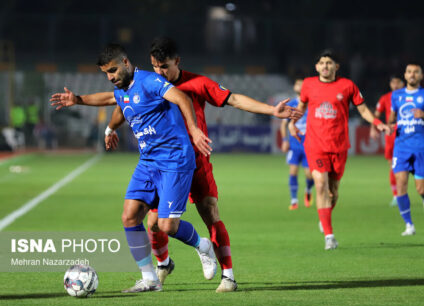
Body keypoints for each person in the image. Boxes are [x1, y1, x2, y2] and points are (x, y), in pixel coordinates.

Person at [51, 37, 301, 292]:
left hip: (191, 158)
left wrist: (271, 111)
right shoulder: (140, 84)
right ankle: (160, 268)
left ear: (176, 62)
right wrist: (107, 126)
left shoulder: (193, 83)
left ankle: (228, 275)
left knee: (206, 215)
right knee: (147, 221)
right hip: (155, 161)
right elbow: (119, 102)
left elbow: (234, 99)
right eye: (154, 66)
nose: (159, 72)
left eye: (164, 66)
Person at [57, 43, 218, 293]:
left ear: (125, 63)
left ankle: (203, 246)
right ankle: (150, 279)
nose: (110, 77)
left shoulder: (151, 81)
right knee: (130, 216)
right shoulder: (122, 89)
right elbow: (112, 100)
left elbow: (181, 97)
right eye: (105, 74)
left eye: (112, 71)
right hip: (148, 161)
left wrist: (194, 129)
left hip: (174, 159)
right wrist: (81, 102)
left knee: (166, 226)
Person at [289, 49, 391, 250]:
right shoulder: (308, 84)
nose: (325, 66)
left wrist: (377, 122)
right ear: (316, 67)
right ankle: (329, 236)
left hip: (339, 145)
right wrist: (292, 123)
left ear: (336, 67)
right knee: (320, 185)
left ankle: (324, 215)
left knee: (333, 192)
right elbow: (301, 107)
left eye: (329, 63)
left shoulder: (347, 86)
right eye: (322, 63)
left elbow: (362, 109)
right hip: (315, 144)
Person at [388, 62, 424, 236]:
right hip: (401, 147)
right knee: (401, 184)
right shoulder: (396, 96)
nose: (412, 74)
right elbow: (392, 118)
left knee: (421, 189)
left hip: (421, 146)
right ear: (405, 76)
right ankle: (409, 225)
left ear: (421, 76)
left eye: (416, 72)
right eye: (409, 72)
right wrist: (390, 124)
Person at [280, 79, 314, 210]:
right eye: (297, 84)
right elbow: (283, 124)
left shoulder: (311, 104)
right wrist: (284, 140)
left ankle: (308, 190)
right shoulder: (292, 104)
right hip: (294, 146)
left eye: (301, 84)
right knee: (293, 172)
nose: (298, 86)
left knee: (309, 175)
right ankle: (294, 200)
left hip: (309, 145)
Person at [370, 75, 405, 207]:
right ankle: (396, 195)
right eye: (393, 82)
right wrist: (373, 128)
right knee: (392, 166)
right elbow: (376, 115)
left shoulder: (409, 96)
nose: (395, 85)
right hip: (391, 135)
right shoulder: (385, 98)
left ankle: (407, 191)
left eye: (398, 82)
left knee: (405, 167)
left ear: (403, 83)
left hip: (406, 133)